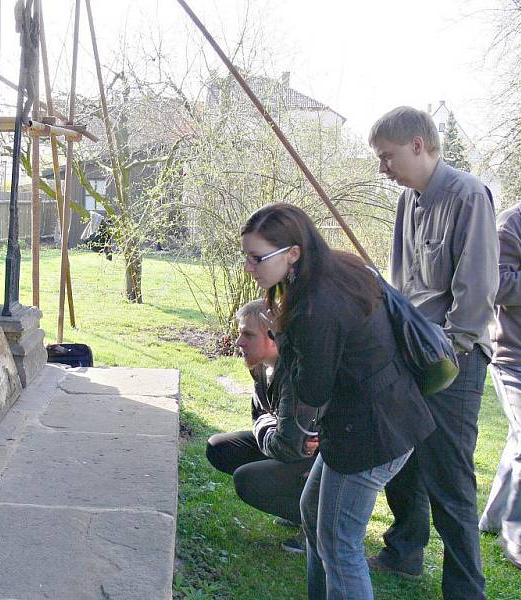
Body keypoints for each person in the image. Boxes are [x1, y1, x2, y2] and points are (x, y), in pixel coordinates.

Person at [241, 203, 435, 600]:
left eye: (257, 258)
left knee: (339, 544)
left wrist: (285, 342)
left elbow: (312, 392)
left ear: (292, 253)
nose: (249, 267)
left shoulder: (313, 307)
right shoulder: (339, 270)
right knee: (315, 518)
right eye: (246, 256)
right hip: (384, 419)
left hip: (371, 434)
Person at [367, 106, 498, 599]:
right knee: (400, 454)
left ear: (419, 146)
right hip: (411, 348)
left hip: (455, 358)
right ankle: (404, 552)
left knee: (449, 477)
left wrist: (452, 351)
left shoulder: (469, 195)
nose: (383, 168)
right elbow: (405, 282)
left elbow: (478, 287)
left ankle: (466, 590)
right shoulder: (408, 200)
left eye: (388, 157)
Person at [205, 298, 317, 553]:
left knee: (248, 480)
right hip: (290, 444)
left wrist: (267, 423)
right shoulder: (260, 367)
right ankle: (296, 507)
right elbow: (261, 416)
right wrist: (268, 423)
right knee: (220, 447)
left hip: (321, 460)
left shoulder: (294, 374)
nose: (238, 343)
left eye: (248, 334)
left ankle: (316, 522)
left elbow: (288, 447)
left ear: (273, 337)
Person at [478, 190, 521, 575]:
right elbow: (495, 285)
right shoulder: (510, 227)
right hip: (513, 357)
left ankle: (491, 518)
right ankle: (518, 537)